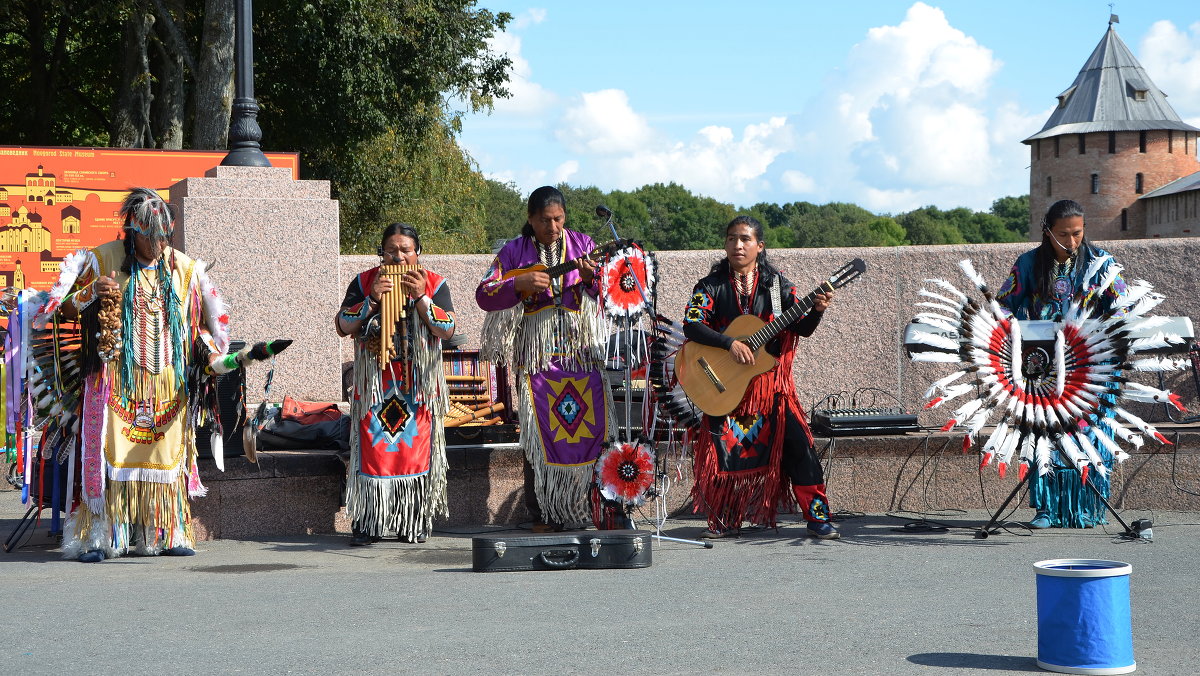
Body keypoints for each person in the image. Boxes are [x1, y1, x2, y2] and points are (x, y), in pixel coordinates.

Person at [30, 187, 234, 562]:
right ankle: (100, 538)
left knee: (166, 456)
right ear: (132, 231)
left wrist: (213, 356)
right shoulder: (102, 258)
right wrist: (92, 292)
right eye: (150, 237)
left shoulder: (184, 269)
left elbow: (203, 327)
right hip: (113, 381)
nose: (158, 245)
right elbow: (63, 311)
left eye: (163, 237)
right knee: (110, 457)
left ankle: (163, 533)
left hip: (167, 386)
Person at [682, 215, 839, 539]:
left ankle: (818, 516)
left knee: (800, 447)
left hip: (771, 388)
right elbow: (692, 324)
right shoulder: (711, 286)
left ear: (759, 246)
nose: (737, 245)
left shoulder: (778, 287)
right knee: (726, 453)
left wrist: (818, 310)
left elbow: (799, 327)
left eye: (745, 239)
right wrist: (729, 342)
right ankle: (725, 518)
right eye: (731, 239)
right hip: (725, 388)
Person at [476, 186, 613, 530]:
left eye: (558, 219)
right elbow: (485, 293)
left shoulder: (583, 245)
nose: (553, 227)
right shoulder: (514, 251)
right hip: (537, 360)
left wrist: (590, 278)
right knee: (538, 436)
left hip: (581, 356)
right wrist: (519, 284)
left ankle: (591, 508)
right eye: (544, 220)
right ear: (531, 219)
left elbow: (613, 294)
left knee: (589, 431)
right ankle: (544, 514)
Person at [996, 199, 1127, 529]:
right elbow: (1002, 307)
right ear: (1048, 231)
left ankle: (1087, 506)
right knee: (1045, 434)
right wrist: (1020, 329)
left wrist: (1106, 328)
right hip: (1043, 365)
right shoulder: (1028, 264)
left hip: (1091, 366)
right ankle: (1046, 508)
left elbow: (1124, 309)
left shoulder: (1101, 263)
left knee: (1088, 434)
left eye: (1078, 233)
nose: (1072, 242)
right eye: (1064, 234)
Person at [337, 223, 455, 545]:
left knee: (413, 451)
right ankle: (369, 522)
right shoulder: (364, 281)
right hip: (375, 381)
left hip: (416, 383)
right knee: (374, 450)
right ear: (381, 253)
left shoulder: (434, 282)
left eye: (406, 250)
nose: (399, 257)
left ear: (418, 252)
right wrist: (372, 301)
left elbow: (447, 329)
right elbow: (342, 325)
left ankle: (412, 521)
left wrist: (421, 298)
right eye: (391, 251)